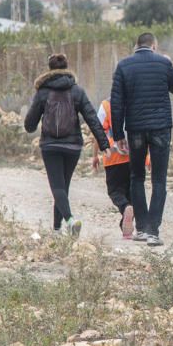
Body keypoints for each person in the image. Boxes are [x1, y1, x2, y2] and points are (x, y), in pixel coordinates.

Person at [109, 32, 173, 247]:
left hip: (135, 130)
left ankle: (141, 227)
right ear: (154, 45)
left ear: (136, 45)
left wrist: (118, 135)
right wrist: (170, 66)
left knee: (137, 177)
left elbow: (116, 103)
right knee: (159, 179)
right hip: (161, 128)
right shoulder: (163, 63)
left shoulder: (124, 66)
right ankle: (153, 230)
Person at [25, 53, 111, 237]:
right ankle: (56, 229)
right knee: (63, 187)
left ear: (49, 70)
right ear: (67, 68)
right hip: (73, 146)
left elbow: (29, 125)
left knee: (57, 187)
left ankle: (70, 221)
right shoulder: (77, 91)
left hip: (50, 146)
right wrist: (104, 144)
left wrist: (36, 117)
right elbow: (92, 118)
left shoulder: (42, 92)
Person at [93, 98, 134, 239]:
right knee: (131, 191)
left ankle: (124, 208)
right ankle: (126, 229)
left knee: (115, 190)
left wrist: (95, 155)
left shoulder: (106, 105)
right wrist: (148, 157)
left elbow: (98, 131)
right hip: (134, 153)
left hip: (113, 155)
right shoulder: (134, 102)